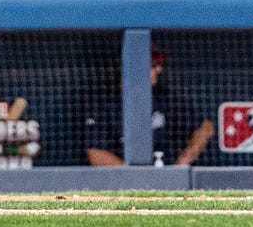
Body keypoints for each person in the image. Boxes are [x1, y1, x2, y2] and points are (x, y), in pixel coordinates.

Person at [85, 47, 214, 167]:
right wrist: (139, 178)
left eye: (159, 65)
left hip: (165, 178)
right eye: (153, 65)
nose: (159, 69)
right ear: (133, 68)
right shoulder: (105, 105)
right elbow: (96, 154)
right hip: (122, 185)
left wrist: (181, 163)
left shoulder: (164, 99)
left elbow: (206, 127)